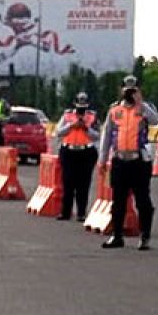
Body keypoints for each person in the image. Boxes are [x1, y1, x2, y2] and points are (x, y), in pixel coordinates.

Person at [99, 75, 158, 249]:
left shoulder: (145, 109)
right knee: (118, 200)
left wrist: (141, 103)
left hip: (139, 161)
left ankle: (145, 235)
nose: (130, 93)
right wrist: (102, 159)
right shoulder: (115, 110)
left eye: (133, 89)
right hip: (119, 160)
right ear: (121, 90)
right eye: (127, 89)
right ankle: (117, 235)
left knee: (142, 200)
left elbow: (156, 120)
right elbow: (107, 135)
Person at [53, 92, 100, 220]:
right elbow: (58, 132)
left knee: (83, 185)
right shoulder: (67, 115)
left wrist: (86, 128)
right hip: (69, 151)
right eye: (79, 106)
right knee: (67, 183)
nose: (81, 110)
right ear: (74, 104)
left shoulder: (92, 117)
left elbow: (97, 135)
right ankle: (65, 212)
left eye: (84, 107)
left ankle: (81, 213)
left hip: (86, 152)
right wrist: (71, 126)